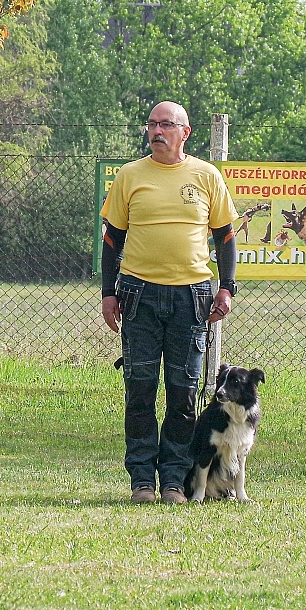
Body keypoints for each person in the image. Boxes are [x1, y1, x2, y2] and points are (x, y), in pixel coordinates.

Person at [100, 102, 239, 504]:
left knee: (183, 394)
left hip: (191, 297)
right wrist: (108, 293)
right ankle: (142, 481)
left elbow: (225, 237)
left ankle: (175, 482)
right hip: (138, 295)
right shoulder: (130, 175)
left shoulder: (206, 175)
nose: (157, 131)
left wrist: (227, 288)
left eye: (165, 125)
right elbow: (112, 240)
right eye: (152, 125)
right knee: (139, 391)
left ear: (185, 132)